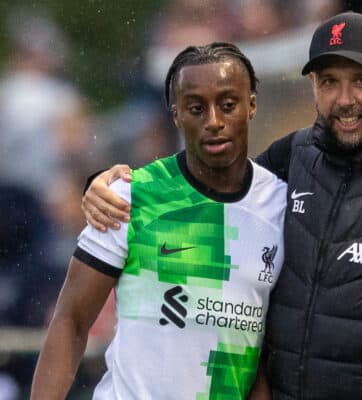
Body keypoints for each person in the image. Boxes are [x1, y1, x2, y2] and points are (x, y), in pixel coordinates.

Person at [82, 12, 362, 399]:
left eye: (361, 81)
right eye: (329, 82)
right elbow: (207, 192)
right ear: (313, 86)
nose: (344, 100)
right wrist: (110, 186)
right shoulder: (292, 156)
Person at [31, 42, 286, 400]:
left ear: (252, 105)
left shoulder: (282, 205)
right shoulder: (129, 197)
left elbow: (267, 351)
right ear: (176, 114)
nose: (213, 121)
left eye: (228, 105)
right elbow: (71, 320)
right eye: (196, 108)